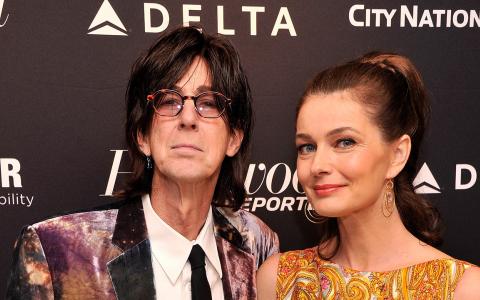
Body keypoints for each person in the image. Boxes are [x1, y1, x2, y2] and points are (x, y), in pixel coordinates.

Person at [7, 26, 279, 300]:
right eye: (169, 100)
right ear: (142, 136)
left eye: (208, 103)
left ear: (234, 138)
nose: (187, 117)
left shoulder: (257, 246)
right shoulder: (56, 254)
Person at [257, 52, 480, 299]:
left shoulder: (461, 289)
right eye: (307, 147)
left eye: (344, 142)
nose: (318, 165)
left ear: (397, 154)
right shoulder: (279, 280)